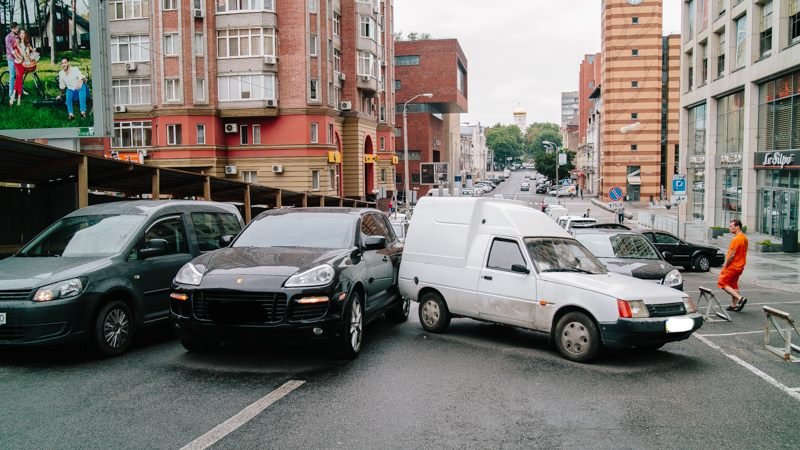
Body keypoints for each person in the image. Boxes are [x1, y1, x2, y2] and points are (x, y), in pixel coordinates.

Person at [718, 219, 748, 312]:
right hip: (740, 266)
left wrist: (726, 265)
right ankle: (734, 305)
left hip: (733, 266)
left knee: (722, 283)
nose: (729, 228)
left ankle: (740, 298)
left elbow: (732, 255)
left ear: (737, 227)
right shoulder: (744, 238)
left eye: (731, 226)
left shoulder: (737, 239)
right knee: (733, 284)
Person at [12, 29, 37, 106]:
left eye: (24, 33)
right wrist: (22, 55)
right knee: (19, 77)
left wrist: (34, 53)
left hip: (24, 64)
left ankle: (17, 96)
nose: (22, 34)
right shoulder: (17, 42)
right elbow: (15, 52)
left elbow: (32, 53)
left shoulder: (27, 44)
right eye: (21, 33)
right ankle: (15, 96)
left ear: (25, 34)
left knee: (20, 79)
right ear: (19, 34)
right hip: (18, 63)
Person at [5, 22, 19, 104]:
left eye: (17, 28)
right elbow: (11, 50)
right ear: (11, 29)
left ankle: (20, 90)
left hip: (18, 58)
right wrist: (17, 57)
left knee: (19, 75)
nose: (17, 29)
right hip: (11, 58)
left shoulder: (17, 36)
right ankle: (11, 94)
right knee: (12, 76)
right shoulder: (8, 37)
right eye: (15, 28)